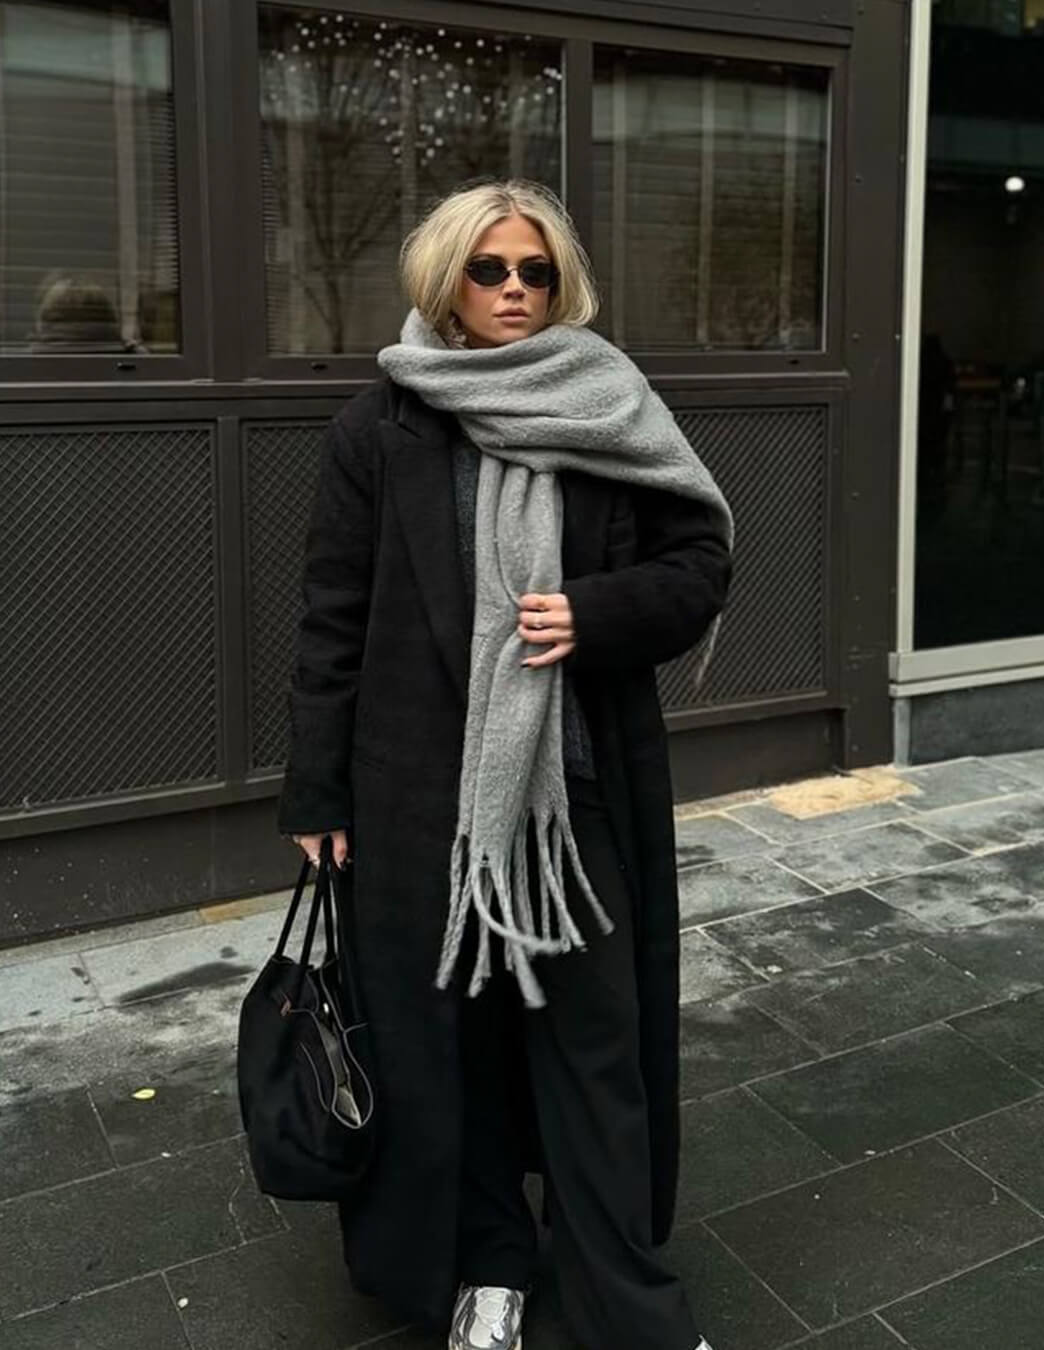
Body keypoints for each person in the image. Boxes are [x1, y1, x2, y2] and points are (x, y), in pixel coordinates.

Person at [277, 178, 734, 1350]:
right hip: (421, 799)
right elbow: (332, 615)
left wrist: (596, 611)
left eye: (536, 270)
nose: (515, 289)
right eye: (490, 269)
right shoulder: (381, 425)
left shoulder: (609, 402)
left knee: (596, 1049)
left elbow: (698, 561)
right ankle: (489, 1266)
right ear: (448, 282)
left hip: (575, 801)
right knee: (453, 1053)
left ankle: (624, 1296)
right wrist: (317, 790)